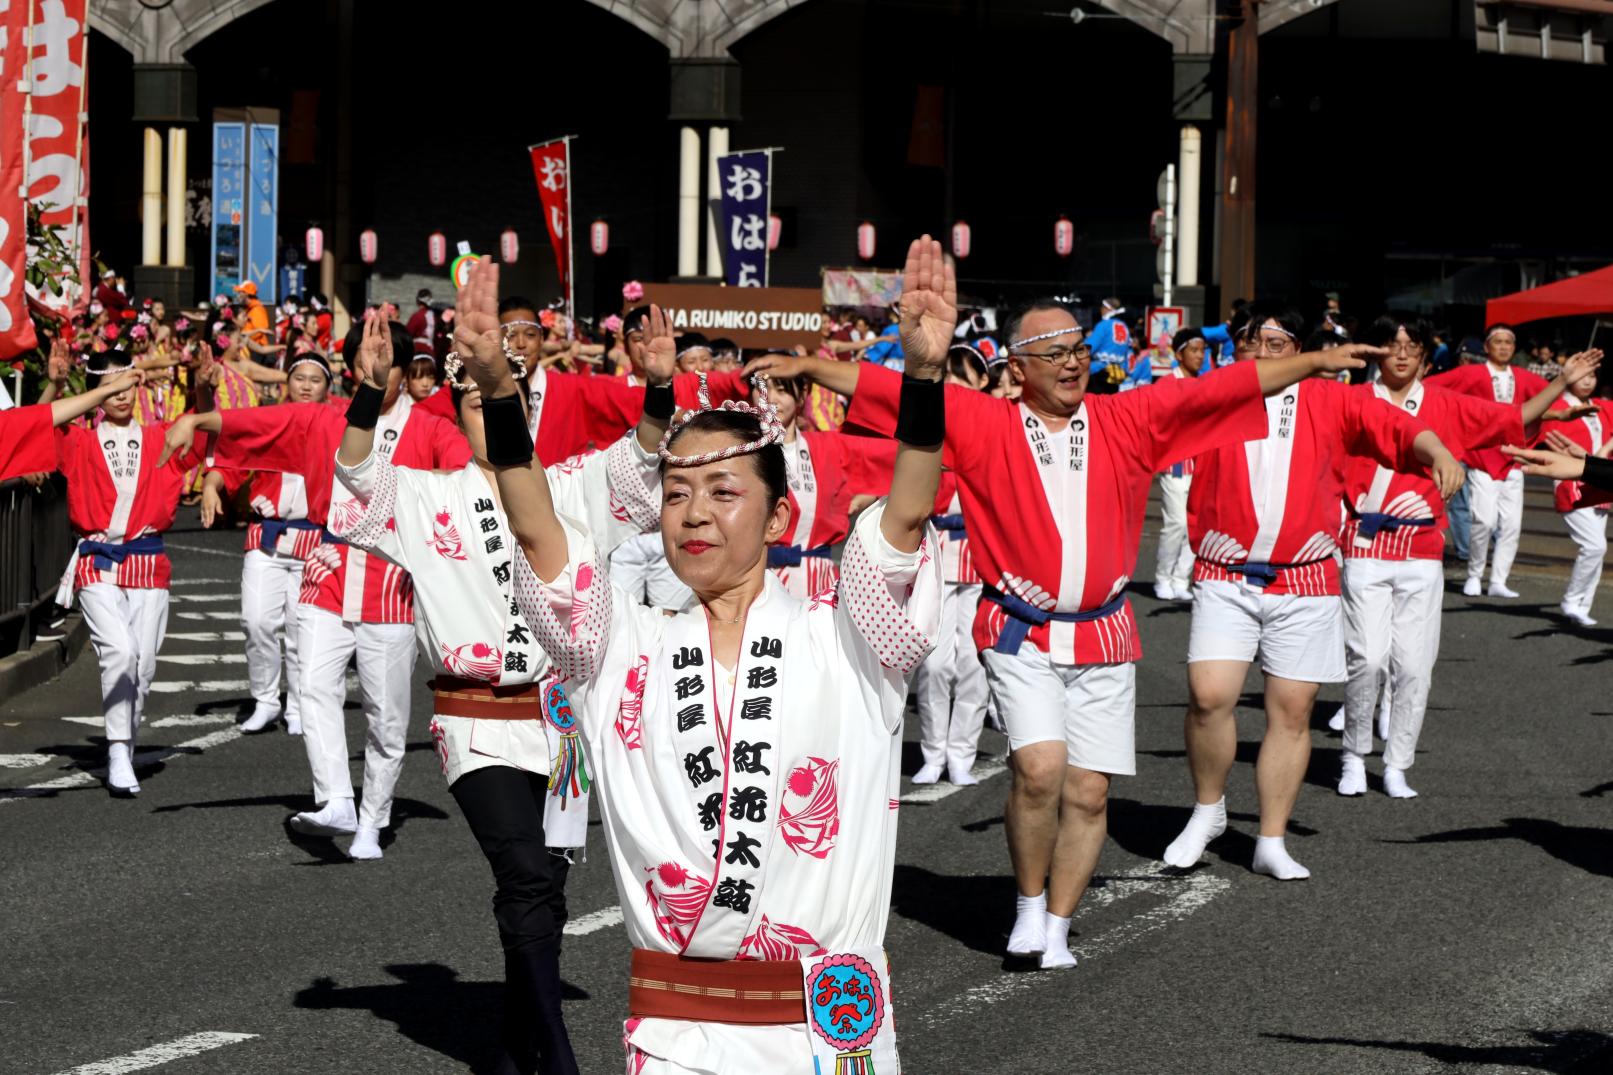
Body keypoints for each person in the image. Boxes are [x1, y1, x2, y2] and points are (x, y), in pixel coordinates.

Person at [750, 295, 1368, 967]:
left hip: (1104, 631)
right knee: (1039, 770)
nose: (1072, 364)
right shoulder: (986, 421)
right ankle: (1025, 901)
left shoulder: (1125, 416)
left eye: (1078, 350)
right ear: (1016, 367)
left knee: (1089, 789)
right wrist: (812, 365)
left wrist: (1311, 362)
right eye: (1053, 353)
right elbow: (895, 390)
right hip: (1020, 627)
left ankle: (1058, 920)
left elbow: (1223, 387)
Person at [460, 243, 946, 1073]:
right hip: (677, 1029)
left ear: (780, 515)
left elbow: (902, 519)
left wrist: (924, 379)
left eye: (724, 493)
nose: (693, 514)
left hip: (827, 1027)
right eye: (677, 493)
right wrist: (503, 397)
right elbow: (539, 531)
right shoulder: (620, 643)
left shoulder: (847, 634)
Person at [327, 305, 665, 1075]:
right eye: (474, 398)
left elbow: (645, 457)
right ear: (456, 410)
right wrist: (365, 393)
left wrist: (658, 383)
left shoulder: (571, 484)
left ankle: (518, 1048)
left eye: (501, 396)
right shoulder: (424, 492)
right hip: (471, 718)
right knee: (519, 870)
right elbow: (353, 483)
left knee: (545, 887)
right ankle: (559, 1054)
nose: (487, 407)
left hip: (557, 720)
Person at [1161, 304, 1464, 880]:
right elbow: (1134, 428)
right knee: (1208, 696)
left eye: (1281, 344)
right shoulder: (1214, 395)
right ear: (1238, 347)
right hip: (1226, 573)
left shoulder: (1330, 400)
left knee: (1292, 712)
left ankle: (1270, 838)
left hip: (1306, 577)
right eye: (1256, 342)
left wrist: (1439, 451)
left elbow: (1396, 425)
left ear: (1299, 350)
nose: (1267, 353)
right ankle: (1208, 810)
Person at [164, 316, 471, 859]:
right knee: (313, 689)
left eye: (387, 360)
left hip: (392, 582)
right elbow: (261, 424)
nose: (373, 367)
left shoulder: (431, 428)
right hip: (326, 568)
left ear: (403, 369)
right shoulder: (322, 419)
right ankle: (334, 798)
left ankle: (373, 821)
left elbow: (468, 482)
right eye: (362, 359)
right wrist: (198, 421)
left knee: (386, 717)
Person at [1335, 317, 1591, 799]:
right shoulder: (1350, 403)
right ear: (1375, 353)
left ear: (1427, 358)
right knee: (1366, 659)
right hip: (1365, 543)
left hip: (1422, 549)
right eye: (1391, 345)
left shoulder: (1445, 404)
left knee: (1413, 665)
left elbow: (1512, 419)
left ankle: (1397, 764)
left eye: (1412, 346)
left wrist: (1559, 381)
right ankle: (1352, 754)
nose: (1402, 354)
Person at [53, 352, 207, 795]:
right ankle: (119, 748)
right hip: (98, 560)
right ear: (97, 391)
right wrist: (55, 387)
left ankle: (127, 741)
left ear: (139, 386)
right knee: (119, 651)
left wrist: (202, 390)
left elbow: (199, 435)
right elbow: (40, 426)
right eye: (110, 386)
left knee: (142, 662)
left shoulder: (161, 436)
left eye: (127, 385)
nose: (121, 395)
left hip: (148, 561)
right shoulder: (80, 441)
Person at [198, 351, 340, 735]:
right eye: (299, 378)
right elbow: (230, 459)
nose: (307, 386)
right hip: (267, 536)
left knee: (300, 629)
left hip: (315, 540)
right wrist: (211, 486)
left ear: (328, 387)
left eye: (316, 379)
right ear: (286, 382)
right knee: (256, 620)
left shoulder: (338, 422)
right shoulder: (268, 423)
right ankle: (264, 700)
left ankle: (297, 705)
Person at [1430, 324, 1582, 598]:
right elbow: (1434, 389)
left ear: (1514, 348)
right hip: (1483, 457)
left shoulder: (1523, 377)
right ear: (1487, 347)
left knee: (1511, 524)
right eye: (1497, 342)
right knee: (1484, 521)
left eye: (1508, 343)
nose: (1503, 347)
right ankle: (1475, 574)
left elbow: (1551, 401)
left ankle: (1499, 579)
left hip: (1515, 457)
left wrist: (1569, 410)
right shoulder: (1471, 374)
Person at [1545, 366, 1613, 626]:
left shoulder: (1601, 405)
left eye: (1593, 376)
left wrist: (1606, 448)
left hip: (1600, 479)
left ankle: (1583, 605)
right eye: (1582, 375)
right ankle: (1572, 601)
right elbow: (1550, 441)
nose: (1588, 381)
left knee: (1596, 549)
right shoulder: (1558, 408)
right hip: (1571, 481)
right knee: (1595, 546)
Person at [1153, 328, 1208, 601]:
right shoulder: (1166, 384)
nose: (1200, 355)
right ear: (1179, 354)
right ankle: (1162, 577)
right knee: (1175, 523)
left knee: (1194, 524)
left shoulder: (1204, 383)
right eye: (1194, 350)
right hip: (1175, 464)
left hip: (1201, 465)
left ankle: (1180, 579)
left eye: (1202, 350)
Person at [1087, 297, 1148, 392]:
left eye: (1103, 307)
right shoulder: (1124, 327)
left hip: (1100, 374)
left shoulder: (1103, 325)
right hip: (1118, 375)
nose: (1101, 310)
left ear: (1109, 309)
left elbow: (1089, 347)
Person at [406, 288, 437, 356]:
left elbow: (407, 335)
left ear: (417, 301)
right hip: (431, 350)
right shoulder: (435, 316)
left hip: (417, 349)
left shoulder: (417, 316)